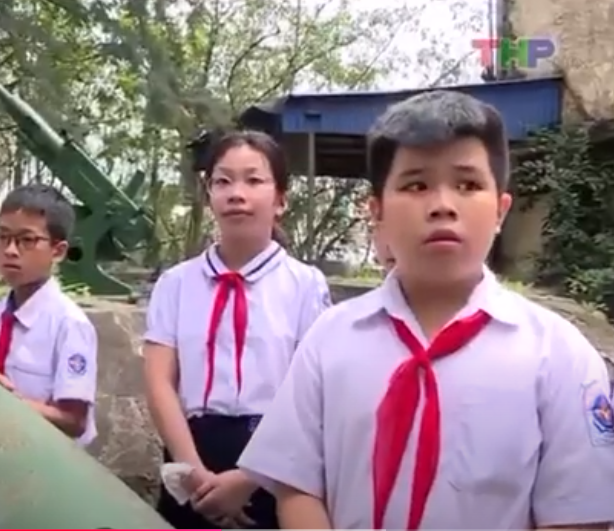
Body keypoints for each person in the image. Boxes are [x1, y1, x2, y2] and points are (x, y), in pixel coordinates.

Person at [238, 90, 614, 530]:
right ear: (377, 211)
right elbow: (298, 485)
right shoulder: (329, 340)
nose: (442, 205)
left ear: (500, 209)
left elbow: (580, 515)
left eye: (467, 185)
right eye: (416, 185)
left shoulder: (560, 356)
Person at [143, 130, 331, 529]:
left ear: (280, 199)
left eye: (253, 180)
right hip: (191, 451)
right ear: (208, 193)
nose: (236, 194)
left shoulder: (305, 285)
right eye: (223, 181)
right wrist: (193, 471)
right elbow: (159, 382)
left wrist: (250, 478)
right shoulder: (176, 284)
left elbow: (311, 393)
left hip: (275, 458)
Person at [0, 183, 98, 445]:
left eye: (26, 240)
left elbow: (75, 421)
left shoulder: (69, 324)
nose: (10, 250)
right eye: (3, 237)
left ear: (58, 251)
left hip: (44, 459)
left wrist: (11, 403)